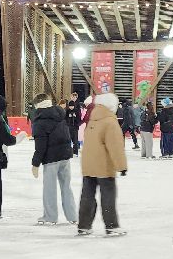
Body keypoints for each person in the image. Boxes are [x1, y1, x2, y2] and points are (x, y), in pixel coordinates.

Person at [76, 92, 127, 237]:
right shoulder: (110, 122)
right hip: (104, 166)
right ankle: (112, 226)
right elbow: (115, 147)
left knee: (87, 197)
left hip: (88, 165)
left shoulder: (93, 120)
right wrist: (121, 166)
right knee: (108, 196)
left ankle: (84, 226)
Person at [30, 92, 76, 226]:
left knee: (49, 188)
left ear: (37, 105)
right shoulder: (60, 114)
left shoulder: (39, 121)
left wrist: (35, 163)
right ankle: (72, 216)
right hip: (65, 155)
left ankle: (50, 217)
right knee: (66, 186)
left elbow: (40, 146)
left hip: (51, 158)